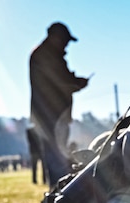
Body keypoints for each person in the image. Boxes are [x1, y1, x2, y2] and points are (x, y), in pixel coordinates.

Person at [29, 22, 89, 187]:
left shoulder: (45, 55)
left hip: (50, 115)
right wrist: (78, 83)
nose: (66, 45)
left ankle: (59, 193)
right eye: (65, 40)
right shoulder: (48, 56)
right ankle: (60, 196)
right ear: (56, 38)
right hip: (52, 115)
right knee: (57, 157)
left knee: (56, 156)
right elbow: (62, 81)